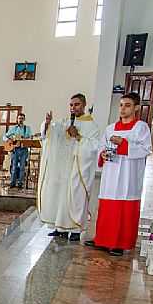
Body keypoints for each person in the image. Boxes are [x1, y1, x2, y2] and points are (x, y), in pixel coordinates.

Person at [85, 93, 152, 256]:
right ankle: (102, 239)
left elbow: (146, 149)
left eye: (127, 105)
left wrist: (124, 144)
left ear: (136, 107)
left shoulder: (141, 127)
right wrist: (103, 155)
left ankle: (119, 243)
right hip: (111, 173)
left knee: (124, 207)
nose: (122, 108)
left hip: (129, 175)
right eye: (121, 105)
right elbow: (102, 147)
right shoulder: (110, 128)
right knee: (107, 206)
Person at [38, 93, 101, 242]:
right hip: (63, 168)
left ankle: (75, 230)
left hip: (78, 169)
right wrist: (47, 125)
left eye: (77, 104)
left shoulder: (92, 126)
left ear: (84, 105)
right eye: (71, 105)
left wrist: (78, 137)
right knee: (60, 197)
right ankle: (60, 228)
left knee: (76, 197)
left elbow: (93, 147)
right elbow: (51, 135)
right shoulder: (65, 121)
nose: (73, 108)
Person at [5, 113, 33, 189]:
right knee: (13, 167)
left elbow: (30, 138)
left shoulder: (27, 129)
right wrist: (10, 140)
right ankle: (12, 183)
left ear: (24, 119)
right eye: (19, 118)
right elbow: (5, 136)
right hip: (15, 150)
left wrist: (27, 138)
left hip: (24, 149)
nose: (20, 120)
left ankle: (20, 183)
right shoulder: (14, 128)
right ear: (17, 119)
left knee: (22, 167)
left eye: (22, 118)